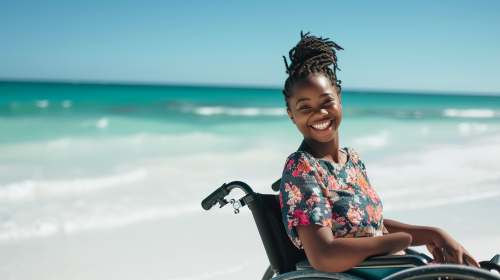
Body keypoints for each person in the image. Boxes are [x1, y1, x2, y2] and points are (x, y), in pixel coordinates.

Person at [279, 31, 480, 273]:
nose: (320, 113)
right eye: (305, 107)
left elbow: (373, 227)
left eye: (326, 102)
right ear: (292, 115)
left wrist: (434, 233)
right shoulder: (301, 167)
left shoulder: (352, 160)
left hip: (394, 269)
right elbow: (323, 256)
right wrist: (398, 242)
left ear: (339, 99)